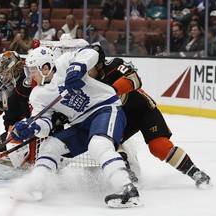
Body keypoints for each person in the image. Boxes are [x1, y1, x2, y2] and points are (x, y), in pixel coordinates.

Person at [10, 46, 142, 208]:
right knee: (49, 146)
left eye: (32, 70)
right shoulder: (37, 94)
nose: (30, 75)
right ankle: (36, 185)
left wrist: (76, 68)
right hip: (81, 123)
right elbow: (45, 123)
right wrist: (32, 127)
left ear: (45, 68)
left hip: (105, 109)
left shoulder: (64, 64)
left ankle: (127, 190)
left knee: (98, 145)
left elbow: (91, 52)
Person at [89, 44, 212, 189]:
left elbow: (135, 79)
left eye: (89, 66)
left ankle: (196, 173)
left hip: (143, 110)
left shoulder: (115, 65)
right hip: (120, 118)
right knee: (108, 141)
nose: (86, 70)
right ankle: (128, 174)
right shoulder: (85, 80)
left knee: (159, 147)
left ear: (99, 65)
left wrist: (112, 91)